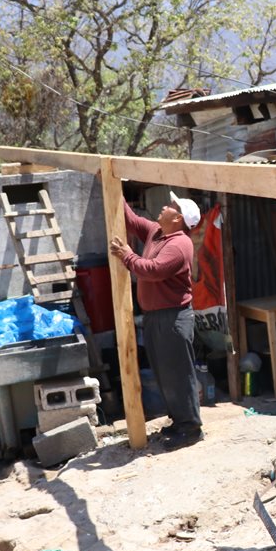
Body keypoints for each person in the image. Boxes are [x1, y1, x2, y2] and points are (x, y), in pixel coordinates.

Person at [109, 191, 203, 447]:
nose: (164, 206)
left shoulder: (179, 244)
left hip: (173, 317)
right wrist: (113, 187)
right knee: (164, 374)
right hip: (155, 316)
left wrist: (127, 255)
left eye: (171, 206)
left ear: (179, 218)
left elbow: (153, 271)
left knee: (178, 375)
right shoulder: (157, 232)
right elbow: (129, 218)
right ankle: (179, 421)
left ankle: (191, 429)